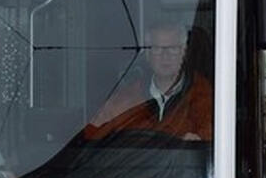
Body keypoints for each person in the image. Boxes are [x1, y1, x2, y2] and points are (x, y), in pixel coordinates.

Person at [84, 19, 213, 142]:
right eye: (157, 48)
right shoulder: (126, 98)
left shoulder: (204, 96)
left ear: (184, 52)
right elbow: (92, 137)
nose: (165, 56)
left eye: (173, 48)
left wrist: (198, 142)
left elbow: (217, 137)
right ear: (147, 54)